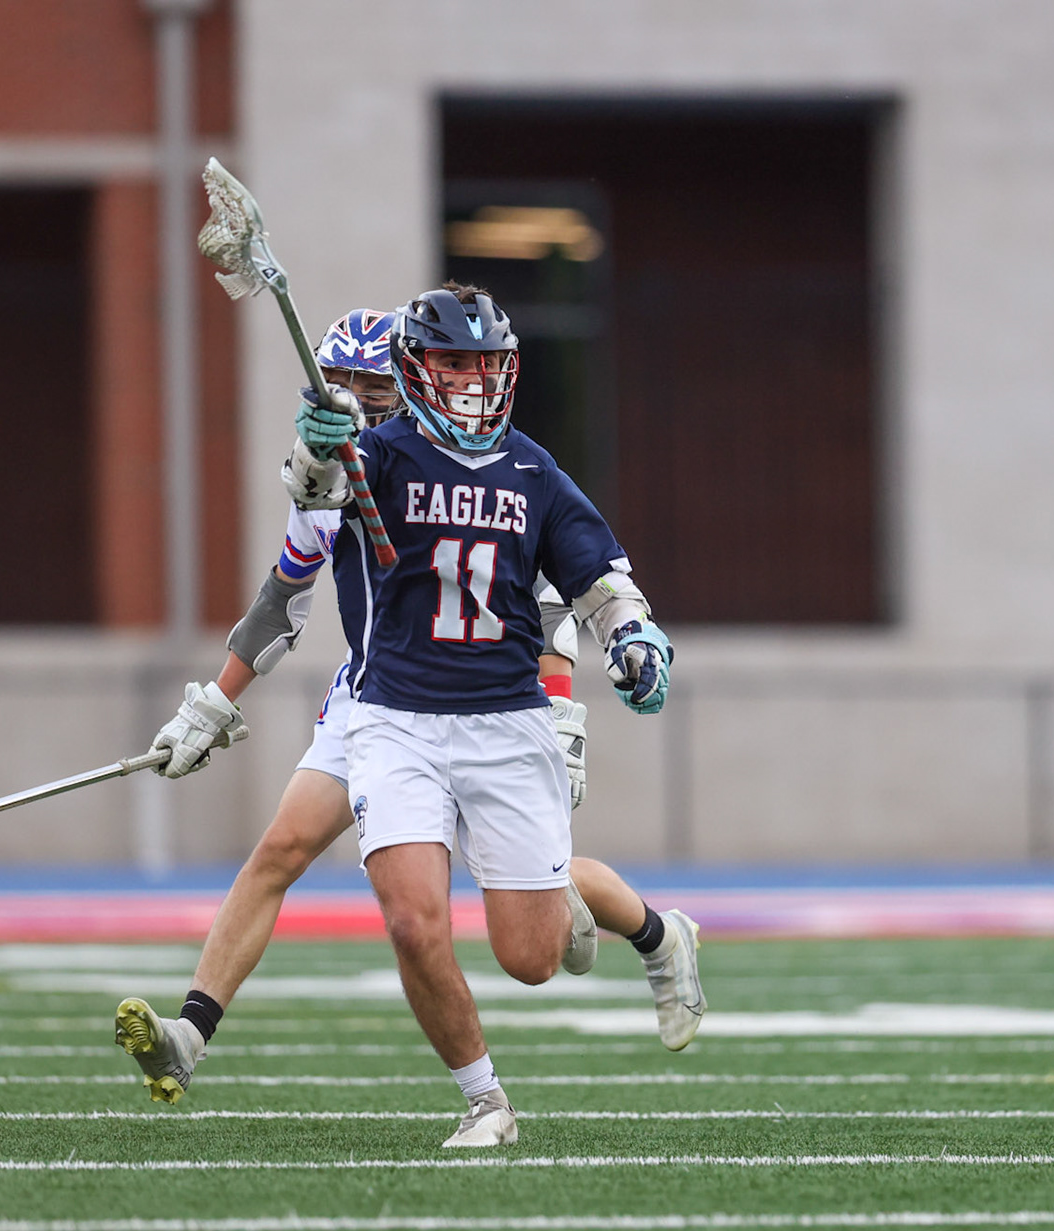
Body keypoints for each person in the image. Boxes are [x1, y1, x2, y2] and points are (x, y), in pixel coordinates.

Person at [114, 307, 704, 1144]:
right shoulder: (370, 459)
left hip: (504, 709)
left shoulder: (528, 469)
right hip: (384, 701)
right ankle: (198, 1033)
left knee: (532, 951)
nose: (353, 399)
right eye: (341, 385)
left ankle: (641, 925)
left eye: (368, 386)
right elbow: (301, 547)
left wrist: (583, 688)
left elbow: (561, 592)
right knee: (335, 876)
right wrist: (215, 700)